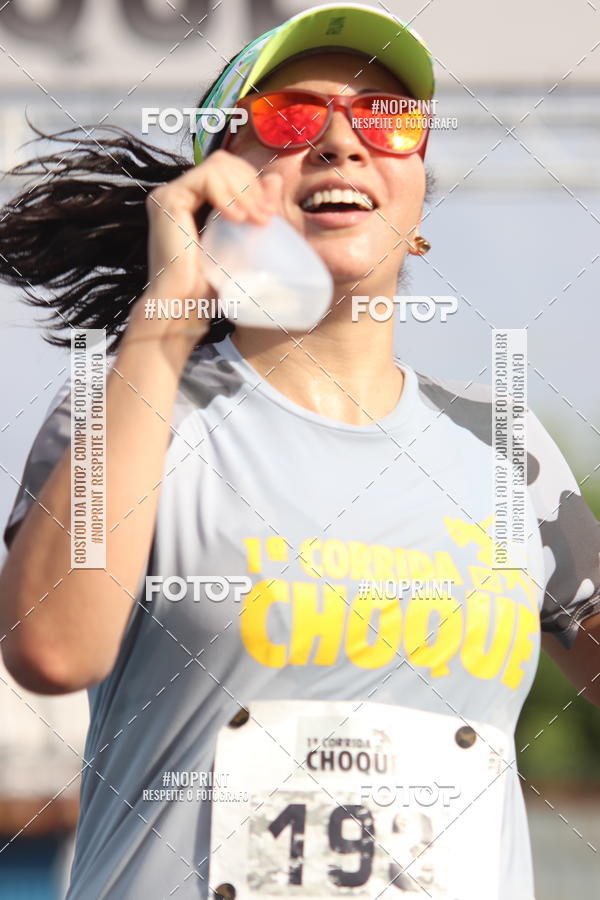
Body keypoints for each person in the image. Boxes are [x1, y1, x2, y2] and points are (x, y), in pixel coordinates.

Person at [1, 4, 599, 898]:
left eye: (388, 121)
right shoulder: (133, 403)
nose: (343, 142)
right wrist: (163, 323)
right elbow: (54, 650)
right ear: (215, 185)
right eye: (289, 117)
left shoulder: (504, 443)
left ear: (419, 193)